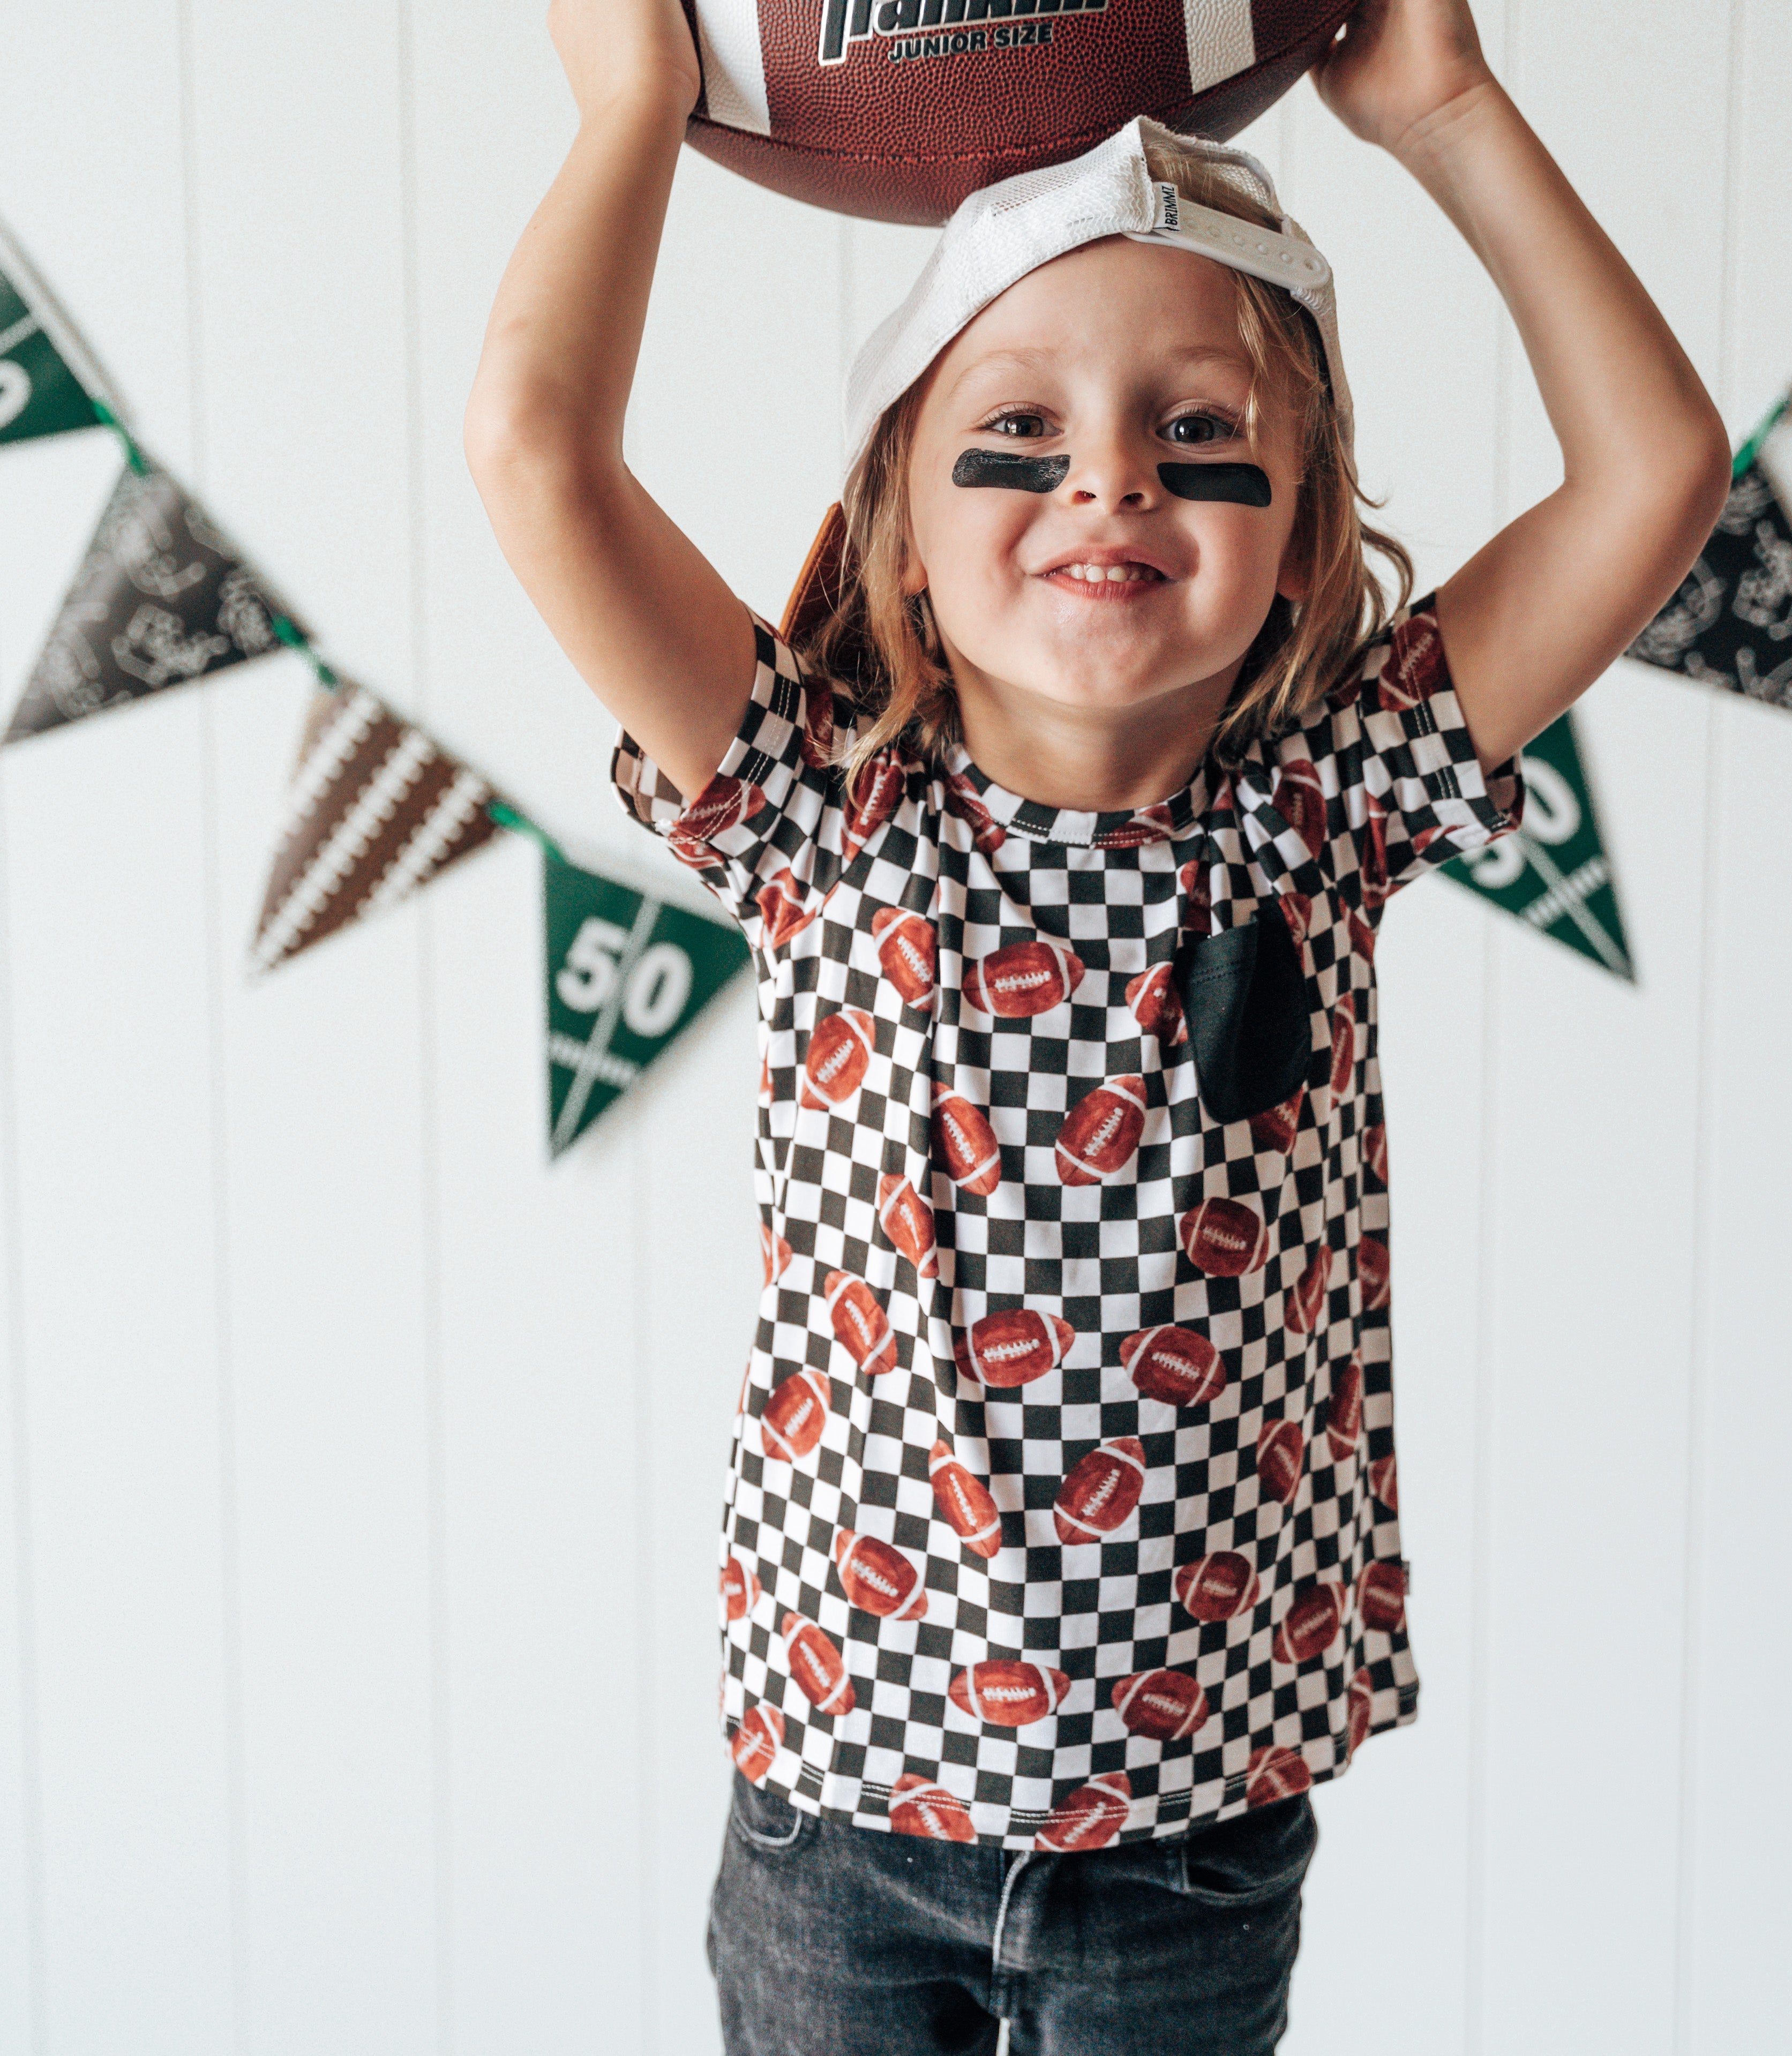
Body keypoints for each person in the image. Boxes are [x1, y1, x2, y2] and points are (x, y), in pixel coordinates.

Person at [465, 0, 1728, 2047]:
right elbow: (537, 454)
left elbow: (1657, 469)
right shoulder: (821, 807)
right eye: (1015, 436)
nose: (1110, 478)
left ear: (1303, 522)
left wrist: (1450, 111)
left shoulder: (1326, 808)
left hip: (1191, 1830)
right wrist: (629, 110)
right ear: (897, 526)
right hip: (838, 1813)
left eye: (1201, 434)